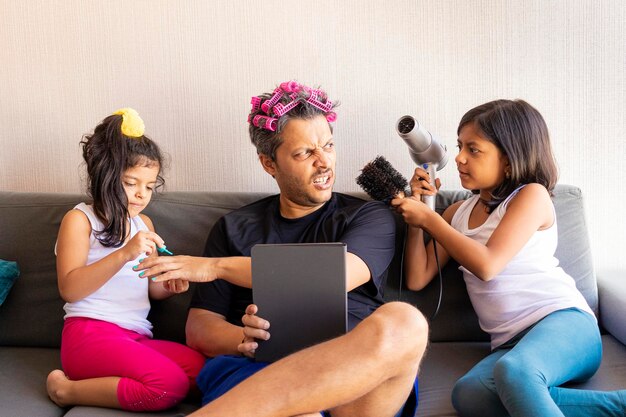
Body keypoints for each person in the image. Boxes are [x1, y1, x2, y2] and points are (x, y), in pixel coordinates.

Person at [135, 81, 429, 417]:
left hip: (352, 368)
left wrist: (215, 266)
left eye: (328, 146)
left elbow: (335, 276)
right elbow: (199, 328)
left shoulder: (368, 215)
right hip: (261, 367)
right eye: (305, 152)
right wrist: (242, 338)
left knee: (406, 321)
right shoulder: (234, 228)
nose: (324, 163)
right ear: (269, 163)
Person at [391, 99, 626, 417]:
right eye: (460, 146)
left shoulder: (530, 196)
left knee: (515, 373)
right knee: (470, 394)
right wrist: (420, 214)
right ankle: (615, 406)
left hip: (565, 324)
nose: (459, 157)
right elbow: (418, 277)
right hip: (510, 345)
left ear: (509, 159)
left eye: (473, 149)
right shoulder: (456, 213)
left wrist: (430, 221)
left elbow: (488, 265)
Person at [46, 108, 205, 412]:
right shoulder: (80, 220)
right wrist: (124, 253)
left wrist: (169, 285)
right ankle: (67, 391)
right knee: (168, 385)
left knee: (203, 373)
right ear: (106, 175)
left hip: (134, 337)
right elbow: (70, 288)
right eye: (131, 183)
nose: (141, 194)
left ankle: (119, 377)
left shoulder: (144, 224)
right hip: (89, 335)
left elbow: (152, 288)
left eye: (149, 186)